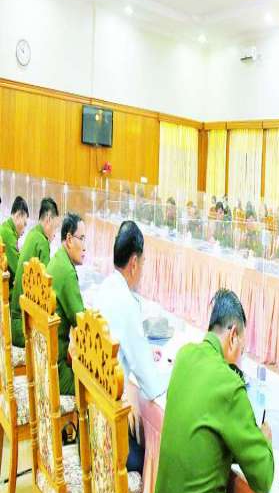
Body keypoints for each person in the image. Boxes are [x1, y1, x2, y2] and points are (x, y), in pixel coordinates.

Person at [154, 289, 274, 493]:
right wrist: (265, 440)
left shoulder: (184, 355)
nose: (240, 358)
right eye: (242, 349)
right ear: (233, 335)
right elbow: (263, 478)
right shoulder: (229, 385)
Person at [95, 221, 167, 472]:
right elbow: (151, 383)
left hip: (93, 422)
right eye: (143, 263)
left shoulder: (105, 288)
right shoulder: (125, 302)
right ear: (134, 263)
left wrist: (143, 351)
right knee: (149, 458)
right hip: (108, 440)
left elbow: (126, 347)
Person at [11, 197, 59, 347]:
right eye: (55, 227)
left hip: (14, 321)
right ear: (48, 219)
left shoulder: (32, 234)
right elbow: (48, 290)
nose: (55, 234)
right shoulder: (42, 243)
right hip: (23, 330)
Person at [47, 213, 86, 396]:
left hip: (44, 364)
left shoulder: (57, 259)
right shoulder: (67, 273)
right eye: (82, 238)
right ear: (69, 239)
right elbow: (82, 325)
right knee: (98, 390)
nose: (85, 247)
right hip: (57, 374)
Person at [1, 196, 29, 292]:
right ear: (18, 216)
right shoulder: (8, 234)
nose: (24, 230)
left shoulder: (6, 228)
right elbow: (18, 270)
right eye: (24, 224)